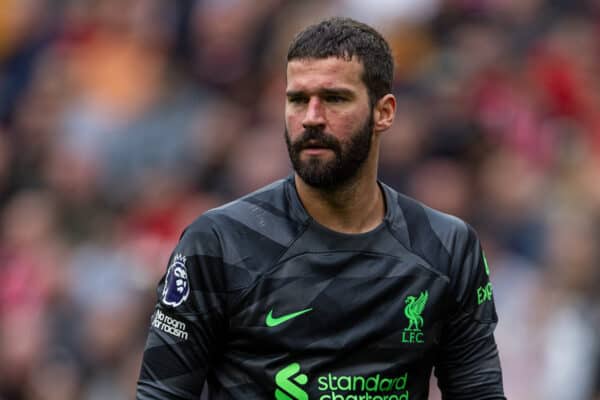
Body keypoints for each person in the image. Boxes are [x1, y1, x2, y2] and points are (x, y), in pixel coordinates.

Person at [136, 17, 505, 399]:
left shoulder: (447, 247)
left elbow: (480, 393)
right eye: (297, 99)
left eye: (334, 98)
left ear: (384, 112)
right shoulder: (218, 242)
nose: (311, 118)